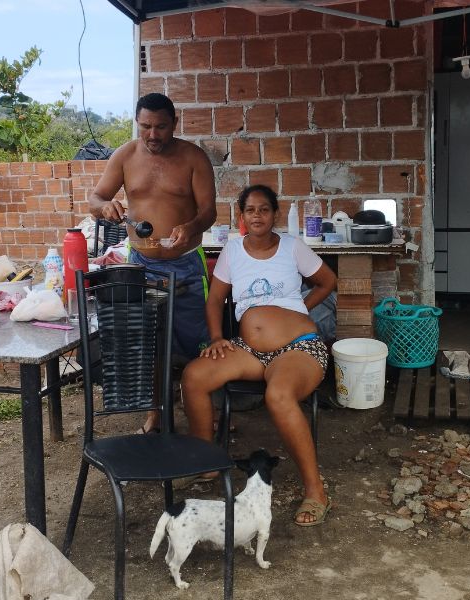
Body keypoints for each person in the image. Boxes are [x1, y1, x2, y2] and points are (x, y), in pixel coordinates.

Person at [181, 184, 337, 526]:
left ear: (275, 214)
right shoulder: (232, 251)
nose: (257, 216)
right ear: (241, 216)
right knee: (194, 376)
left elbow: (327, 281)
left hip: (299, 348)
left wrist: (300, 309)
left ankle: (316, 491)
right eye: (250, 210)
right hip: (250, 350)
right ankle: (206, 463)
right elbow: (214, 300)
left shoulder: (293, 248)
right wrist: (218, 337)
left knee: (278, 394)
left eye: (264, 209)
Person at [88, 93, 216, 434]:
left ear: (174, 123)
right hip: (141, 265)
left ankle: (203, 415)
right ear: (137, 123)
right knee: (149, 341)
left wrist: (192, 227)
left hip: (187, 264)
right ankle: (156, 414)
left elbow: (209, 211)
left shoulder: (193, 158)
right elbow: (95, 197)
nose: (153, 135)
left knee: (196, 341)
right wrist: (104, 207)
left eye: (160, 127)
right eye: (145, 126)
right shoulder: (125, 156)